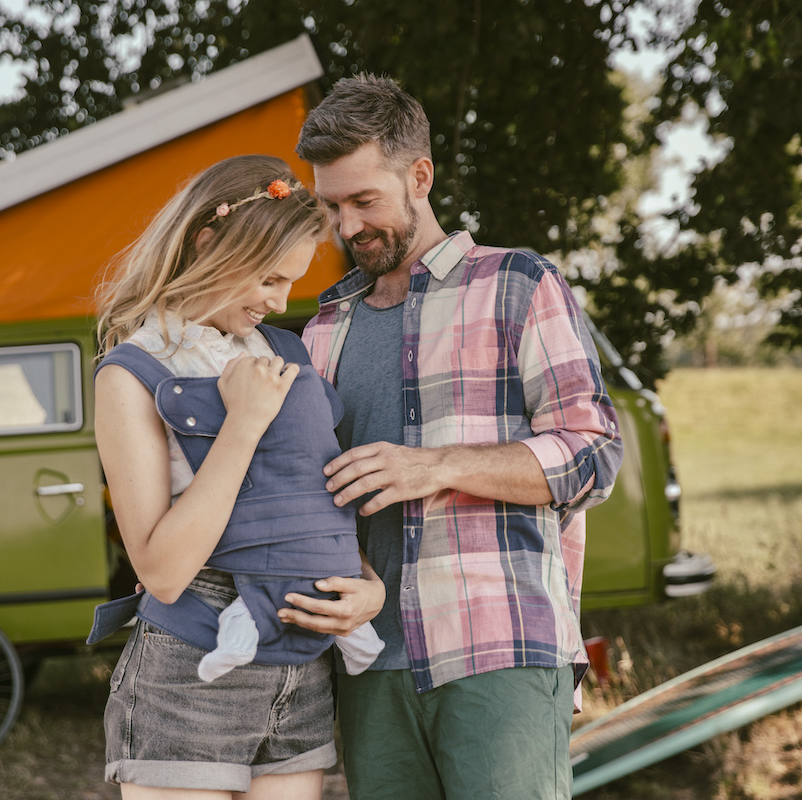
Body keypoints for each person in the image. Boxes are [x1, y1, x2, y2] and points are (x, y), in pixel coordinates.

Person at [279, 75, 625, 799]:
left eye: (364, 201)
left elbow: (594, 454)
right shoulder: (321, 331)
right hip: (368, 669)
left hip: (498, 648)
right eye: (332, 206)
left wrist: (433, 467)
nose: (347, 228)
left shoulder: (519, 285)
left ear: (420, 176)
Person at [90, 154, 385, 799]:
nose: (281, 303)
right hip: (190, 672)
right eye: (270, 280)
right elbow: (161, 572)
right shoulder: (129, 374)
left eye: (291, 283)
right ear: (208, 245)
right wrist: (242, 426)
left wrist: (367, 589)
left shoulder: (282, 353)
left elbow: (304, 499)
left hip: (299, 671)